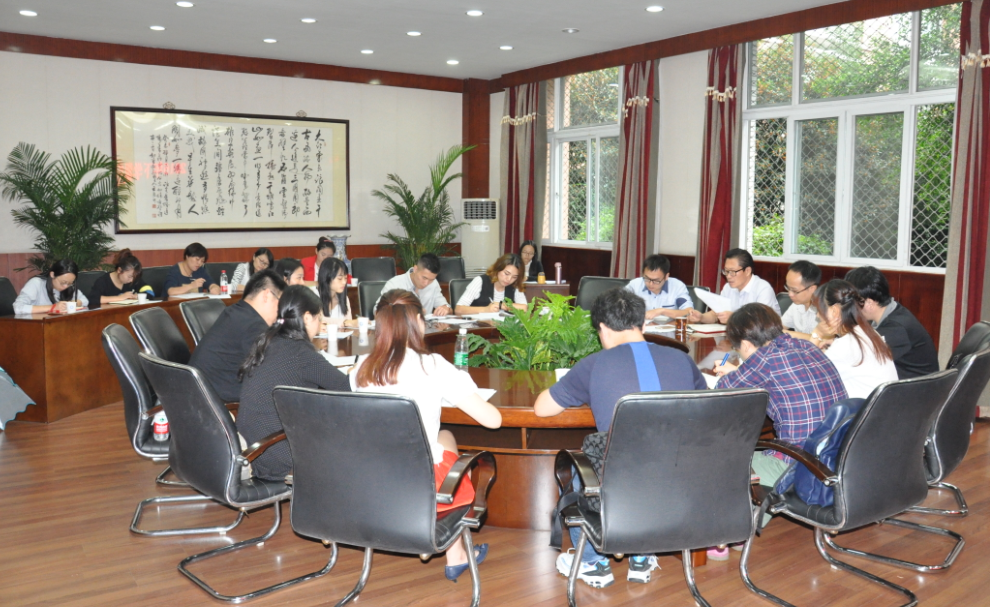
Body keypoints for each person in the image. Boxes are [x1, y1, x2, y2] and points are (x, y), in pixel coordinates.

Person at [534, 287, 707, 586]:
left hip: (619, 488)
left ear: (602, 328)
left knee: (582, 468)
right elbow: (704, 407)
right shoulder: (681, 359)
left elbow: (541, 409)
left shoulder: (594, 364)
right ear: (642, 323)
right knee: (653, 459)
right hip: (681, 482)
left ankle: (592, 562)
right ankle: (641, 556)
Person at [350, 289, 501, 582]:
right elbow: (493, 420)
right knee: (446, 437)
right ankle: (455, 554)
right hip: (421, 483)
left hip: (372, 479)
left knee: (440, 437)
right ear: (419, 321)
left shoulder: (360, 368)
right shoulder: (432, 365)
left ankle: (449, 546)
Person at [713, 303, 847, 549]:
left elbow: (722, 391)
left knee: (721, 460)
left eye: (736, 348)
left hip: (800, 464)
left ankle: (734, 531)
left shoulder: (763, 359)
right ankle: (751, 516)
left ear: (745, 345)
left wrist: (735, 372)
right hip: (838, 457)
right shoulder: (807, 346)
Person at [237, 285, 350, 482]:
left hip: (255, 445)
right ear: (306, 318)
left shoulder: (270, 340)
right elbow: (346, 388)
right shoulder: (301, 353)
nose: (320, 325)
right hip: (276, 451)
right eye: (319, 318)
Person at [188, 270, 286, 403]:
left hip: (201, 391)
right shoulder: (253, 324)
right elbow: (276, 369)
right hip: (217, 402)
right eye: (280, 304)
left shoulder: (236, 312)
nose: (280, 313)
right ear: (267, 295)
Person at [844, 266, 939, 379]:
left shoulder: (896, 328)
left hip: (915, 388)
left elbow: (857, 360)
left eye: (852, 303)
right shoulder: (893, 312)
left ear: (869, 303)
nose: (850, 308)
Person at [812, 280, 897, 399]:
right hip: (884, 406)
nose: (817, 316)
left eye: (819, 310)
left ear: (835, 311)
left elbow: (806, 378)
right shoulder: (869, 332)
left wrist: (817, 334)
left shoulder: (844, 346)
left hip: (864, 410)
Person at [688, 248, 779, 324]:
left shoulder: (763, 289)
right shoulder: (728, 287)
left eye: (732, 272)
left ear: (747, 271)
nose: (728, 276)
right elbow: (715, 314)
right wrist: (701, 317)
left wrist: (733, 318)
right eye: (726, 271)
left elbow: (761, 322)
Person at [375, 253, 452, 316]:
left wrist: (445, 309)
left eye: (431, 280)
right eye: (424, 278)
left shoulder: (434, 284)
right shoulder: (394, 284)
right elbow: (377, 311)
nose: (426, 283)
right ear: (415, 269)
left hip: (426, 329)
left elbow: (447, 308)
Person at [624, 254, 693, 319]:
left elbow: (689, 312)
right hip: (641, 326)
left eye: (656, 280)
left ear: (666, 276)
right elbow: (619, 305)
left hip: (669, 326)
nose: (651, 284)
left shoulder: (677, 286)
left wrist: (662, 311)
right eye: (647, 278)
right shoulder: (634, 285)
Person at [454, 253, 528, 314]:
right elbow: (458, 309)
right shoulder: (480, 281)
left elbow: (524, 308)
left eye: (514, 277)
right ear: (498, 268)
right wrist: (485, 309)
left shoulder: (515, 285)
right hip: (479, 326)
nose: (509, 279)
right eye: (506, 273)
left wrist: (501, 305)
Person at [12, 259, 88, 315]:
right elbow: (18, 308)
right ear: (52, 275)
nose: (65, 286)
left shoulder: (69, 285)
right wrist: (53, 307)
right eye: (63, 282)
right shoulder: (36, 283)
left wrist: (70, 304)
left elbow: (84, 301)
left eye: (70, 283)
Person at [780, 260, 822, 339]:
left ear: (812, 289)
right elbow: (779, 327)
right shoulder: (796, 305)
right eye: (788, 288)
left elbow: (820, 340)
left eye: (794, 291)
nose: (790, 294)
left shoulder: (824, 310)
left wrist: (786, 333)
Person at [318, 257, 356, 327]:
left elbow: (350, 325)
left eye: (345, 278)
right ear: (327, 278)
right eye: (340, 279)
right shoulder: (314, 296)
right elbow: (319, 320)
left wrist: (349, 323)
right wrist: (345, 322)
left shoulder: (344, 298)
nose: (344, 282)